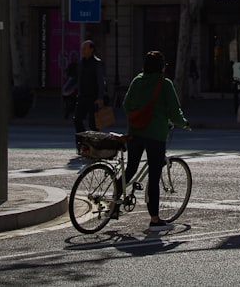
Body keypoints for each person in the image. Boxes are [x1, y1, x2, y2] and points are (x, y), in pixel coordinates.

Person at [120, 50, 190, 230]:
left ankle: (114, 202)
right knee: (154, 175)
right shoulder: (164, 84)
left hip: (135, 132)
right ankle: (155, 218)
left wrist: (137, 119)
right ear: (162, 68)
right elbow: (175, 112)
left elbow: (126, 105)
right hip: (156, 135)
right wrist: (184, 123)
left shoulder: (137, 81)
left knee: (131, 169)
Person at [73, 40, 107, 138]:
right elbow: (79, 80)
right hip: (83, 97)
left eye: (85, 48)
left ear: (91, 49)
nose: (83, 51)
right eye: (82, 49)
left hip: (94, 98)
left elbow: (101, 82)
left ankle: (94, 146)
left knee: (94, 124)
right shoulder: (81, 63)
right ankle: (83, 140)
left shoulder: (97, 63)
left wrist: (100, 97)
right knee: (77, 120)